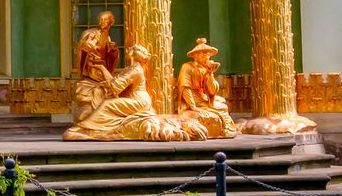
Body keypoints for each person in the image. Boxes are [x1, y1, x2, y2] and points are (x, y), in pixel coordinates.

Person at [65, 43, 204, 142]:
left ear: (133, 55)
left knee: (107, 105)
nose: (127, 52)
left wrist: (105, 80)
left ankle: (84, 129)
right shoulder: (132, 68)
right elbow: (116, 83)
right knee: (108, 103)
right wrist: (102, 70)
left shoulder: (135, 69)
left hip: (138, 101)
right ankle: (95, 129)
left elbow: (116, 86)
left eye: (130, 51)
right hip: (138, 99)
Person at [172, 38, 234, 139]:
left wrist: (210, 74)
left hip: (202, 97)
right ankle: (224, 128)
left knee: (222, 103)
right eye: (203, 53)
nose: (206, 56)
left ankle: (225, 129)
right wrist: (193, 107)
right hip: (192, 98)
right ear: (195, 56)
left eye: (208, 53)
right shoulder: (187, 67)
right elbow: (185, 88)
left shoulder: (205, 69)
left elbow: (212, 91)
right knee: (220, 107)